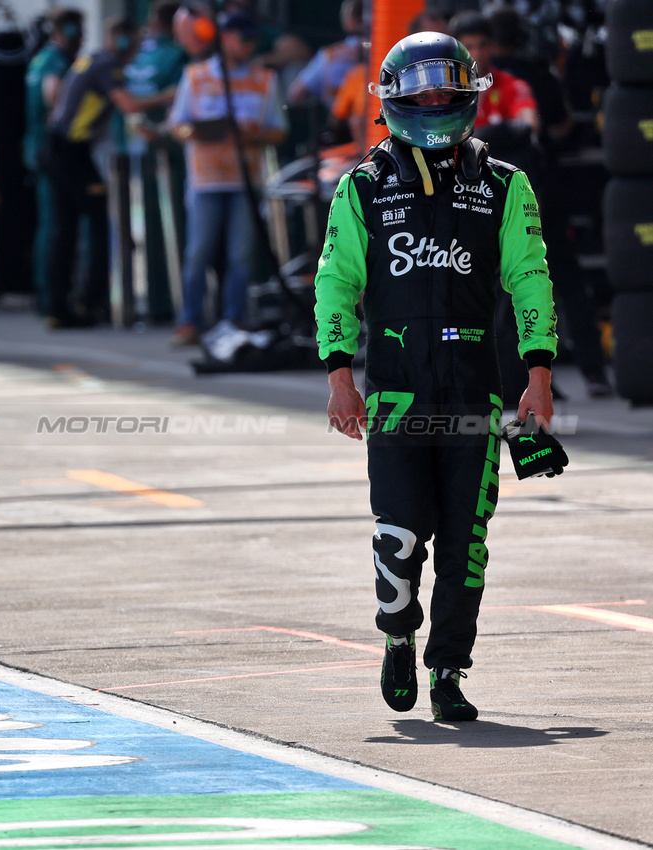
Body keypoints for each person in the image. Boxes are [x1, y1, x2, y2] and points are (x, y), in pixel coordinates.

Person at [316, 33, 558, 722]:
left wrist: (537, 373)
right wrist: (339, 375)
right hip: (393, 391)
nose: (432, 102)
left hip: (475, 393)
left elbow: (530, 279)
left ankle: (448, 669)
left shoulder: (504, 185)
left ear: (466, 96)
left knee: (466, 541)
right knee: (399, 533)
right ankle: (397, 636)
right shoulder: (362, 186)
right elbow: (336, 284)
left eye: (443, 90)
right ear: (392, 99)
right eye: (417, 93)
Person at [486, 6, 612, 397]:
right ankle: (550, 376)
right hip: (506, 198)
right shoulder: (477, 85)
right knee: (525, 290)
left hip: (531, 196)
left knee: (549, 283)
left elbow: (537, 126)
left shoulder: (517, 83)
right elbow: (560, 129)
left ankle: (579, 372)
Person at [166, 13, 286, 346]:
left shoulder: (265, 79)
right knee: (198, 252)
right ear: (225, 38)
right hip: (205, 180)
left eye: (252, 40)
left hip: (245, 181)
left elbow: (278, 130)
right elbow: (177, 124)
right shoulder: (196, 76)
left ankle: (232, 320)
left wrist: (255, 135)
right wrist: (200, 132)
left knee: (240, 255)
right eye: (241, 38)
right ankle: (189, 321)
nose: (247, 46)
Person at [43, 16, 168, 329]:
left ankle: (61, 304)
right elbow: (127, 105)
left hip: (64, 149)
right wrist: (170, 95)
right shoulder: (106, 65)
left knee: (66, 229)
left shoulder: (93, 61)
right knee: (97, 225)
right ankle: (90, 302)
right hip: (68, 151)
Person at [119, 1, 187, 325]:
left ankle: (152, 303)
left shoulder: (135, 53)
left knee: (141, 230)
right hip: (162, 153)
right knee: (169, 229)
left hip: (134, 150)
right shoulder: (176, 56)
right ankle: (167, 303)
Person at [24, 8, 85, 317]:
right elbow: (54, 97)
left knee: (49, 225)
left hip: (40, 151)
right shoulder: (55, 61)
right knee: (57, 227)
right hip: (53, 152)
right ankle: (52, 297)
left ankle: (46, 292)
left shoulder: (39, 58)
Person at [288, 0, 363, 111]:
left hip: (343, 121)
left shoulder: (329, 55)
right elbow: (295, 94)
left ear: (350, 20)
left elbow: (295, 94)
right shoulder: (391, 49)